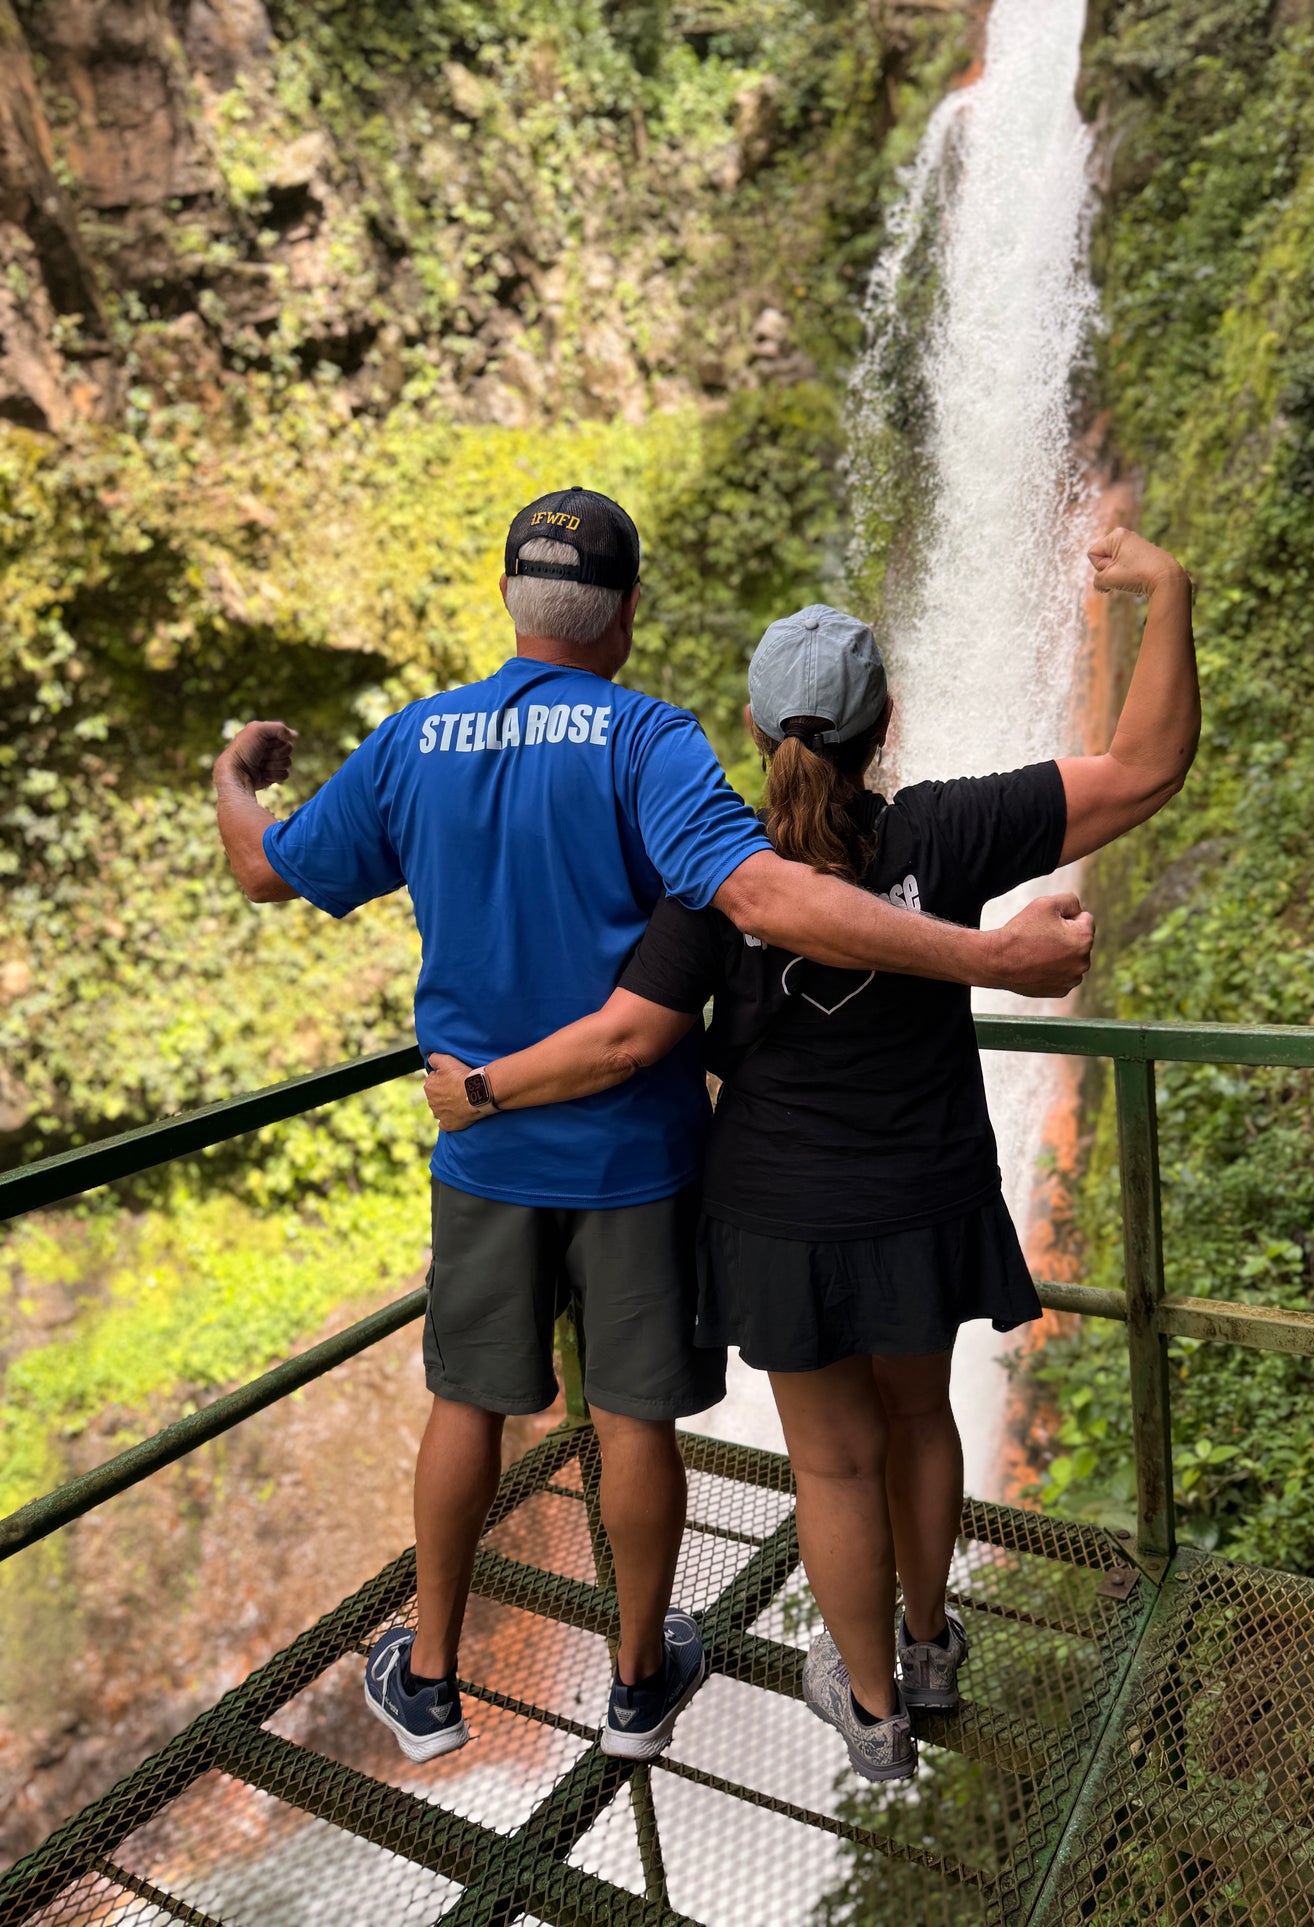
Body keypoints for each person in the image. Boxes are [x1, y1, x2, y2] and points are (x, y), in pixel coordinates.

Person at [210, 486, 1096, 1769]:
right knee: (631, 1419)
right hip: (637, 1150)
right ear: (626, 615)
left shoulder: (413, 741)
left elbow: (263, 865)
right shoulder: (647, 742)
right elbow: (767, 896)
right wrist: (987, 957)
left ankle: (433, 1673)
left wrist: (237, 777)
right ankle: (637, 1683)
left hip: (482, 1134)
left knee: (467, 1402)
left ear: (508, 600)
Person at [423, 524, 1197, 1782]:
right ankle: (933, 1640)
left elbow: (621, 1042)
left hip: (780, 1217)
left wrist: (484, 1090)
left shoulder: (711, 877)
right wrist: (1162, 589)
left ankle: (875, 1713)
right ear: (883, 722)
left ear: (751, 723)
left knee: (833, 1463)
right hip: (923, 1194)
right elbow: (1146, 763)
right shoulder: (944, 835)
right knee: (919, 1417)